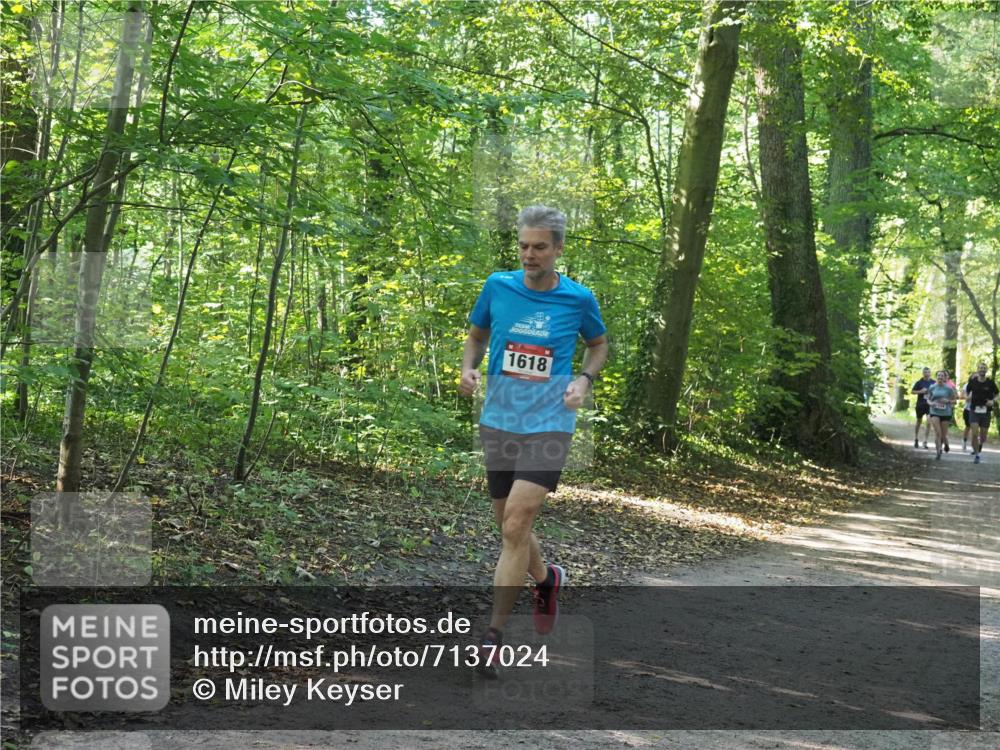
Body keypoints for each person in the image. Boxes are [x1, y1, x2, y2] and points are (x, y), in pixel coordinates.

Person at [459, 205, 609, 679]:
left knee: (516, 523)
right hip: (500, 421)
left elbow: (599, 344)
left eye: (540, 246)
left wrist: (584, 381)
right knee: (509, 526)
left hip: (549, 424)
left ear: (558, 249)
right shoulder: (497, 287)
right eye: (524, 245)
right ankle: (546, 581)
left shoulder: (577, 298)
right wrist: (468, 366)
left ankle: (493, 638)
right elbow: (477, 334)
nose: (529, 254)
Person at [964, 362, 998, 464]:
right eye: (980, 368)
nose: (982, 370)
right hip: (974, 410)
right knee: (974, 433)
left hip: (986, 411)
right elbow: (966, 391)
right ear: (977, 370)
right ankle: (977, 454)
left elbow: (997, 394)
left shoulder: (990, 382)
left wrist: (993, 401)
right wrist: (968, 397)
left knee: (983, 436)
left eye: (984, 368)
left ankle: (980, 444)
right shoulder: (973, 381)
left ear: (986, 370)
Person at [926, 370, 958, 460]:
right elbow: (927, 399)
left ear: (945, 378)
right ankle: (938, 452)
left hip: (946, 413)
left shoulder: (949, 389)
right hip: (934, 411)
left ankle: (946, 444)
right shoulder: (932, 387)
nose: (940, 377)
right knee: (937, 433)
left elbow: (955, 401)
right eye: (938, 375)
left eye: (942, 376)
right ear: (936, 377)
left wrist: (947, 401)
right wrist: (930, 403)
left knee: (943, 435)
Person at [911, 367, 934, 449]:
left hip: (929, 405)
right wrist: (921, 391)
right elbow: (912, 391)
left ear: (930, 373)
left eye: (928, 372)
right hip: (920, 404)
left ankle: (925, 441)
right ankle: (916, 438)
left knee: (929, 422)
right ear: (923, 373)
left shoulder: (933, 382)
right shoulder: (919, 382)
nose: (927, 374)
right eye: (925, 372)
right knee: (919, 421)